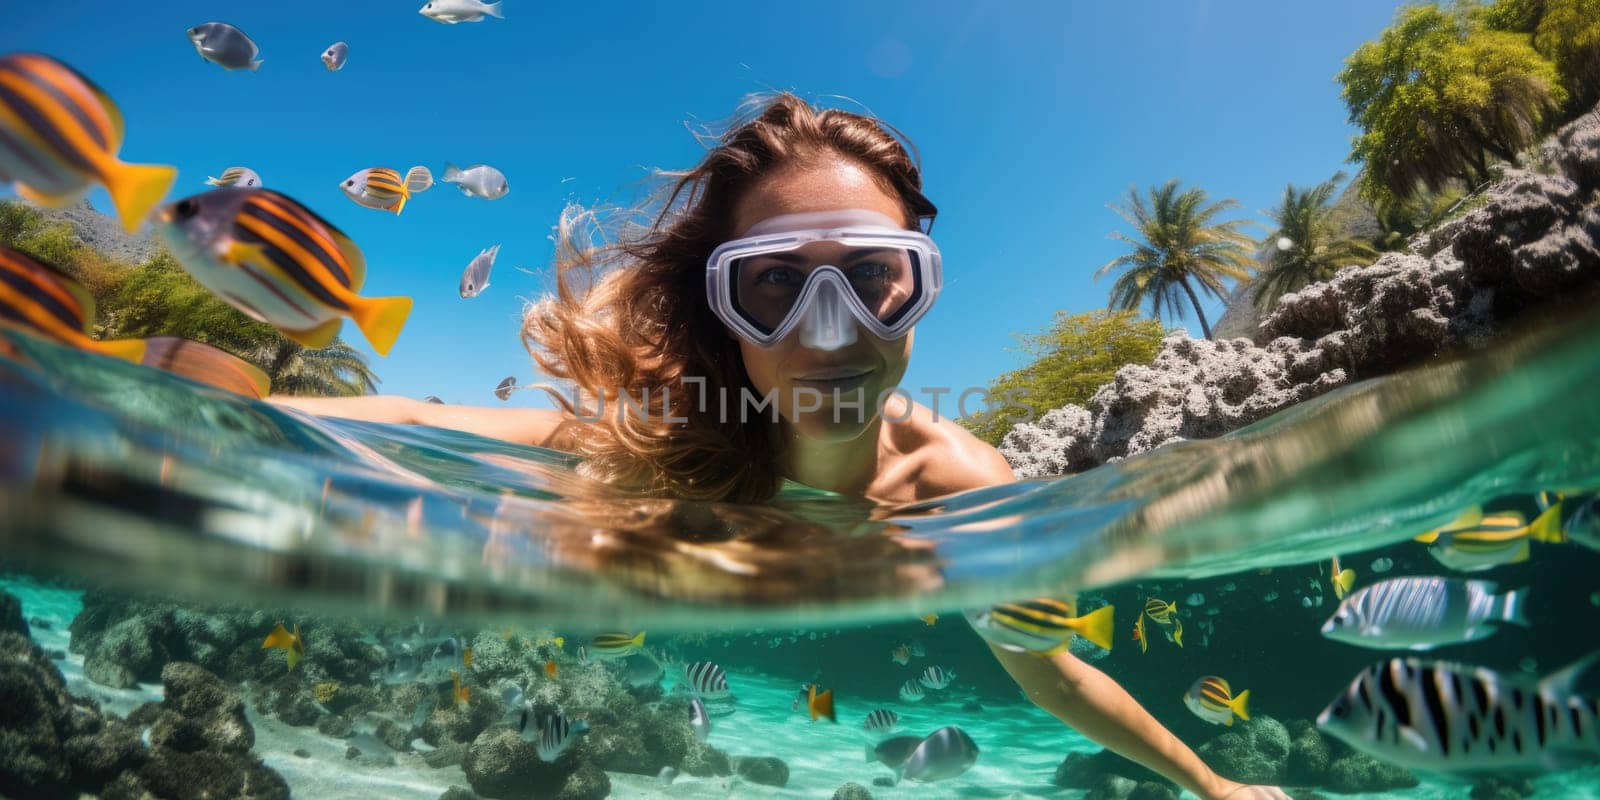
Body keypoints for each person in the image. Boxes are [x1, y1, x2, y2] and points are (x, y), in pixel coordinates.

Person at [273, 92, 1287, 799]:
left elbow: (1051, 670)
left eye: (874, 275)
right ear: (723, 314)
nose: (832, 328)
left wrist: (1210, 782)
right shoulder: (674, 433)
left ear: (922, 288)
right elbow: (416, 424)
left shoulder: (961, 487)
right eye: (772, 282)